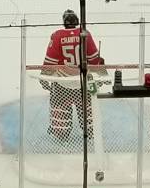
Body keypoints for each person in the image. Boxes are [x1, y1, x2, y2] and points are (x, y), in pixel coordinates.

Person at [42, 13, 104, 145]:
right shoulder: (84, 33)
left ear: (64, 22)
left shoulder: (57, 35)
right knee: (89, 119)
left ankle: (60, 133)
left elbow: (49, 62)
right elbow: (94, 59)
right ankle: (91, 136)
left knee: (60, 122)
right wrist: (102, 74)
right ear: (77, 22)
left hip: (62, 84)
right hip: (83, 84)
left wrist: (44, 76)